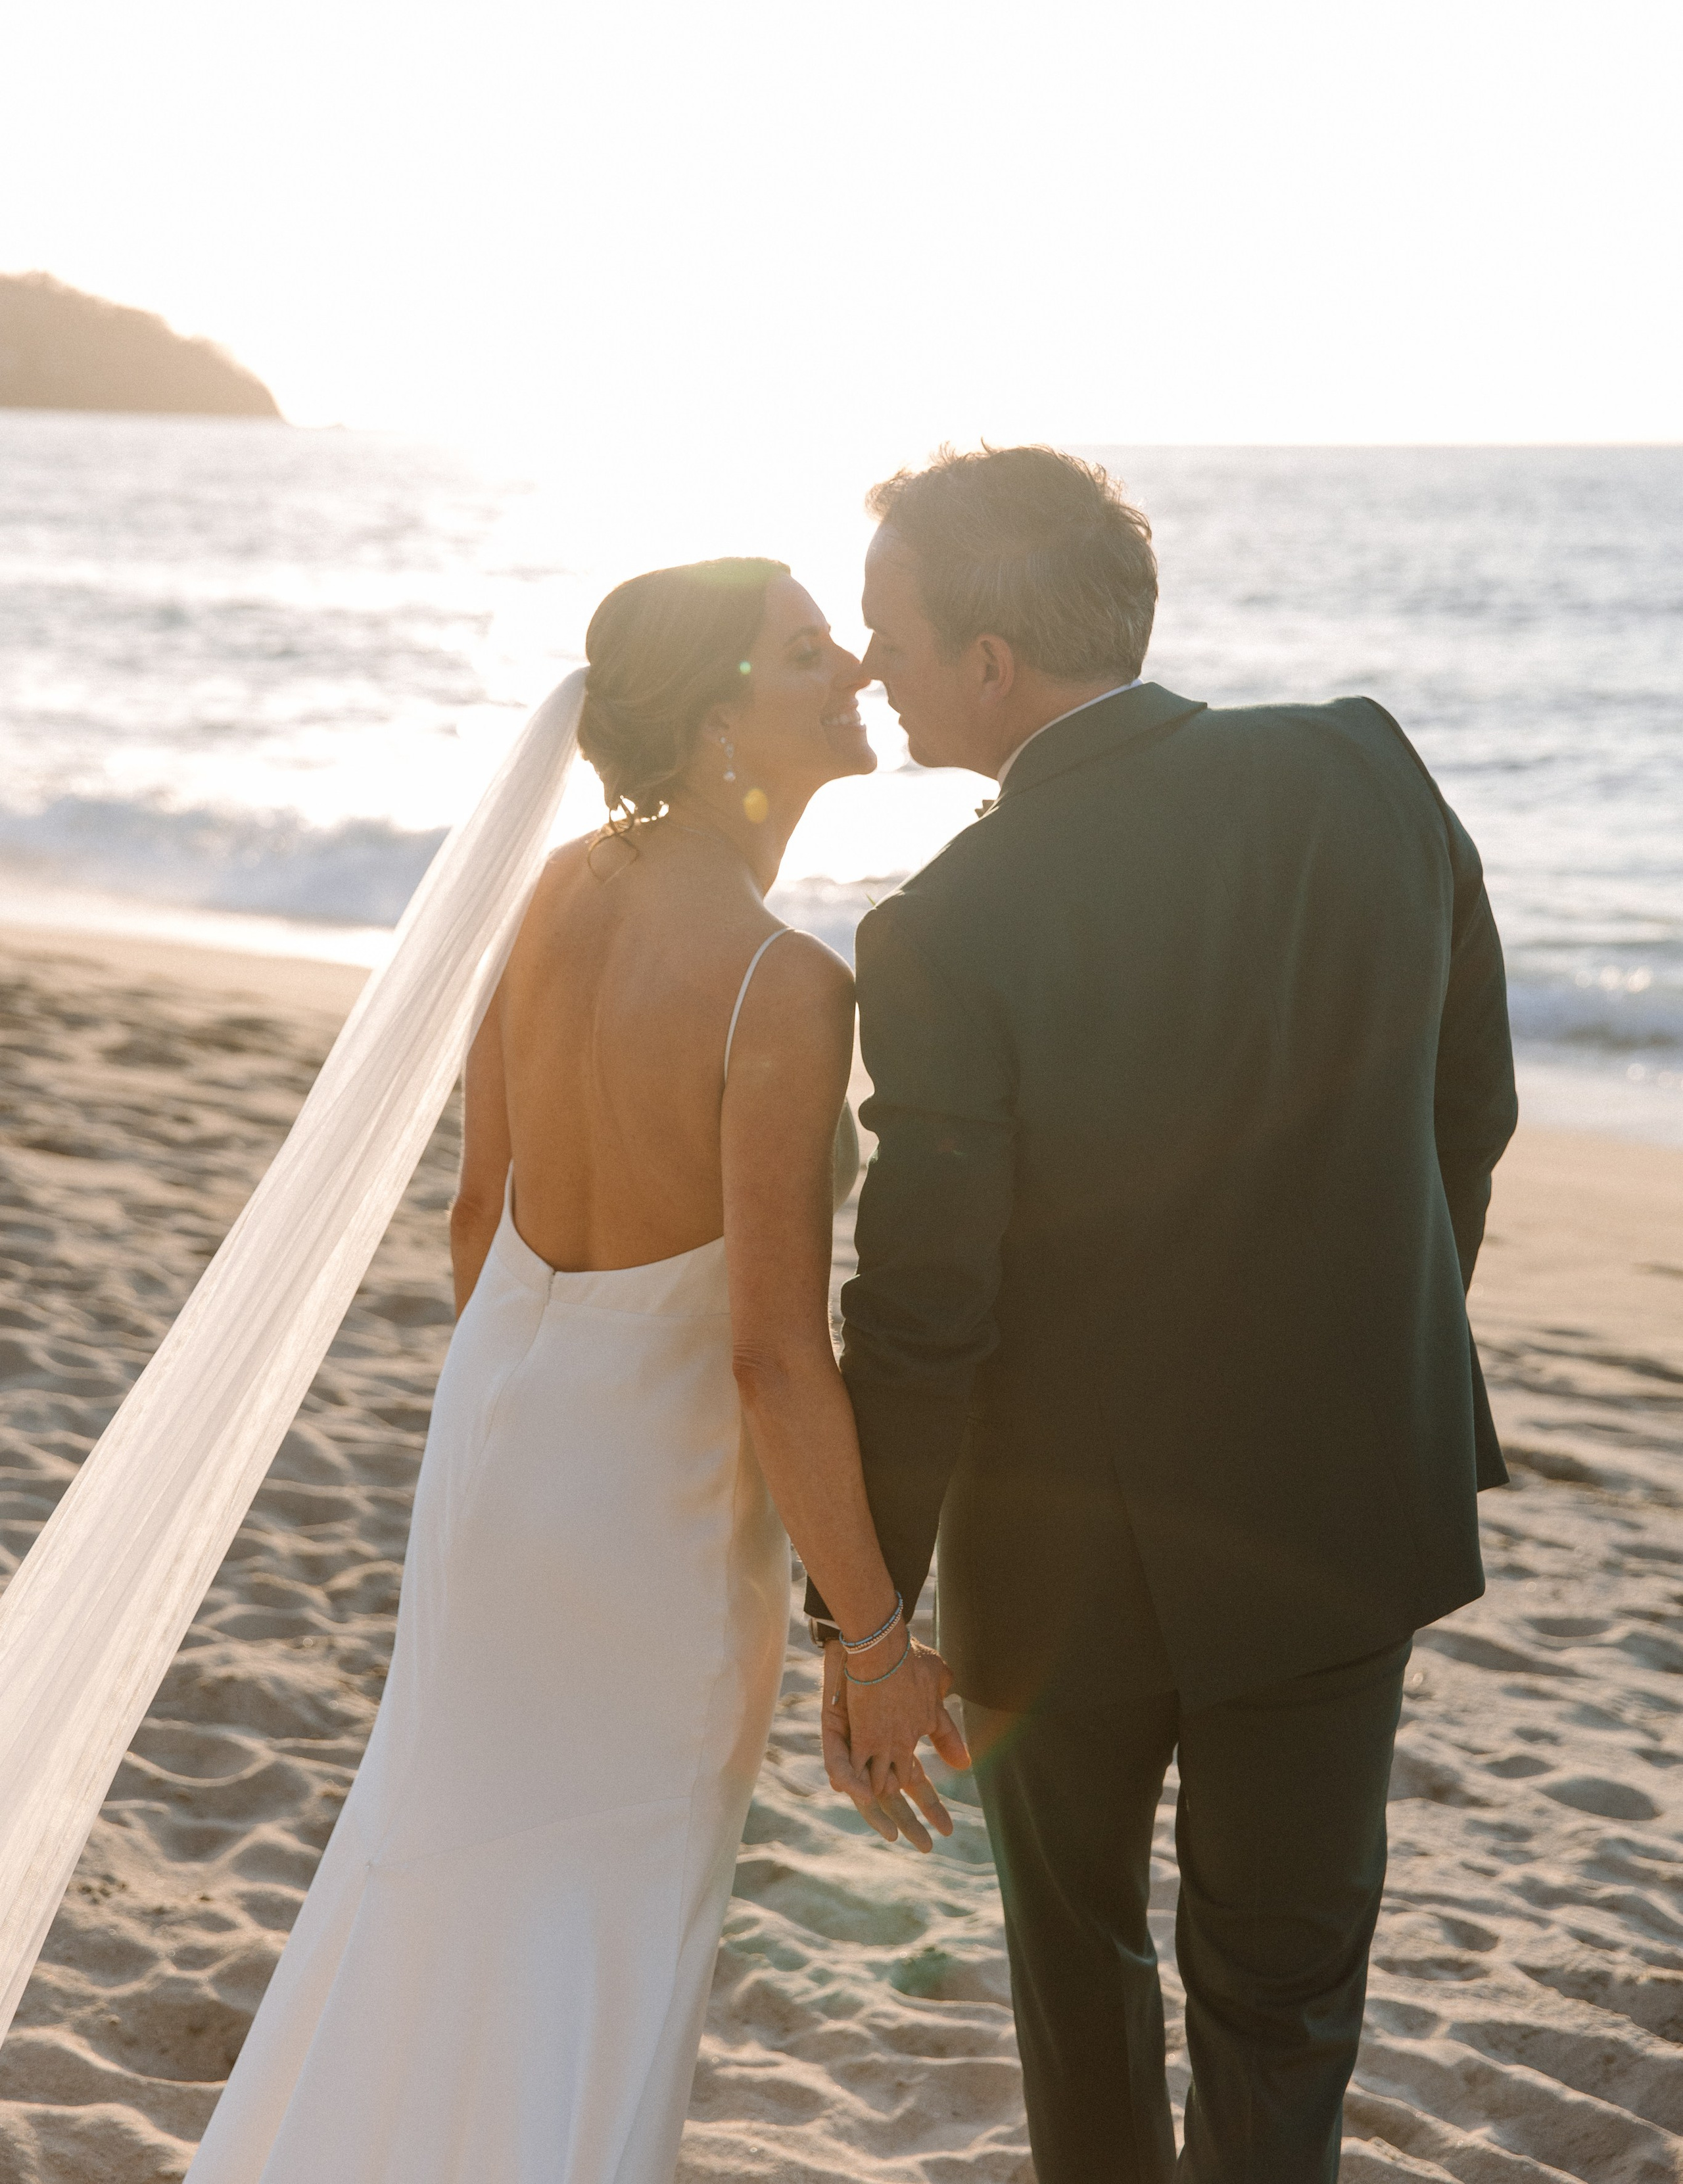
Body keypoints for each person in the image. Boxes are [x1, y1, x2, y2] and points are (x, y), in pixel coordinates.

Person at [187, 556, 964, 2184]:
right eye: (806, 655)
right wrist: (876, 1636)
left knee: (438, 1865)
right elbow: (765, 1349)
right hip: (654, 1520)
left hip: (501, 1449)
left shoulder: (549, 893)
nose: (856, 677)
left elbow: (481, 1216)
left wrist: (546, 1401)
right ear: (709, 724)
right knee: (607, 1932)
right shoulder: (786, 985)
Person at [813, 446, 1518, 2183]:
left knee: (1081, 1975)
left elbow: (921, 1313)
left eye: (890, 633)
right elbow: (1469, 1113)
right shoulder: (1366, 766)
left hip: (1065, 1562)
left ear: (991, 663)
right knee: (1288, 2003)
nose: (871, 668)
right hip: (1347, 1507)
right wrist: (1378, 1349)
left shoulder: (947, 927)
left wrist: (871, 1612)